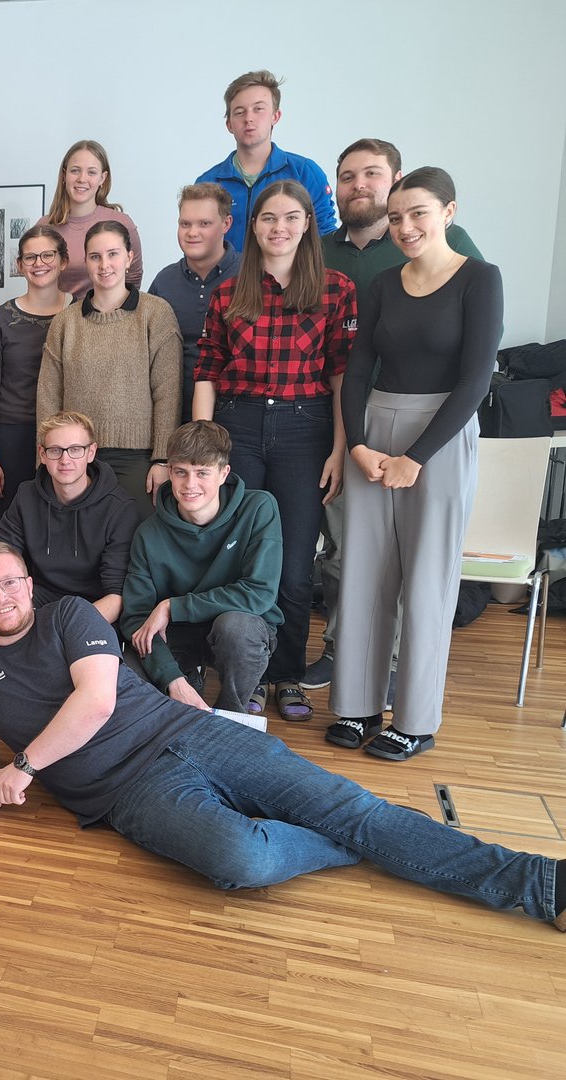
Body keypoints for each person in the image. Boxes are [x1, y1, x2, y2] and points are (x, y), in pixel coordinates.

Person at [0, 541, 566, 936]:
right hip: (126, 791)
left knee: (353, 810)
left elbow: (97, 701)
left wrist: (24, 766)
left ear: (28, 583)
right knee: (243, 860)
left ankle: (541, 883)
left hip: (192, 732)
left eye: (11, 582)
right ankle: (367, 835)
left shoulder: (69, 615)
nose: (1, 596)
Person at [329, 168, 504, 761]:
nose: (405, 227)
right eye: (397, 217)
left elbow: (476, 380)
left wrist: (416, 458)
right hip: (375, 432)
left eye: (418, 213)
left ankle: (415, 720)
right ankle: (357, 705)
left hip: (441, 436)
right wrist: (357, 443)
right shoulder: (383, 284)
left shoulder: (480, 279)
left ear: (448, 212)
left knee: (427, 581)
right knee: (363, 575)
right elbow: (358, 369)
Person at [304, 139, 485, 693]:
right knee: (351, 556)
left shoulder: (460, 259)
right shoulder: (325, 253)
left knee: (420, 566)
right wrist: (354, 440)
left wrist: (416, 450)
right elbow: (347, 360)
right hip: (350, 419)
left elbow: (475, 364)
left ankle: (402, 674)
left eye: (372, 175)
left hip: (430, 425)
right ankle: (347, 663)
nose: (359, 185)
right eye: (347, 176)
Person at [193, 180, 357, 722]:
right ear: (253, 226)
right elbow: (208, 370)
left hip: (305, 430)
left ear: (307, 224)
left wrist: (339, 449)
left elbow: (342, 376)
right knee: (239, 555)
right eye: (268, 218)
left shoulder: (335, 289)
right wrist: (202, 449)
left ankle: (287, 675)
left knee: (293, 565)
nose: (278, 227)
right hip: (237, 426)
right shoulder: (228, 292)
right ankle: (248, 676)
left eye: (290, 217)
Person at [119, 421, 283, 715]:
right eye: (181, 472)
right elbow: (136, 617)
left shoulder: (259, 508)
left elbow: (259, 593)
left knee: (236, 629)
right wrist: (173, 680)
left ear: (223, 473)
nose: (190, 485)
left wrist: (173, 606)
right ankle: (186, 685)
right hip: (176, 634)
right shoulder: (148, 532)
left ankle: (230, 717)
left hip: (238, 629)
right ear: (170, 472)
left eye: (202, 473)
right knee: (127, 671)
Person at [37, 221, 181, 522]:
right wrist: (47, 455)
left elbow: (168, 392)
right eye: (95, 256)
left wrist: (162, 459)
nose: (104, 265)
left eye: (113, 254)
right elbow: (49, 396)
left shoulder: (156, 314)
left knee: (134, 536)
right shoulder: (65, 322)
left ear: (129, 257)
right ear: (86, 262)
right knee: (78, 536)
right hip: (75, 454)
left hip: (138, 457)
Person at [0, 412, 139, 620]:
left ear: (91, 452)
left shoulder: (120, 508)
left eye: (75, 450)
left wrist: (65, 627)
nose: (65, 460)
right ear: (42, 454)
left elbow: (117, 596)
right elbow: (4, 560)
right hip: (39, 595)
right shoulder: (26, 495)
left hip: (91, 605)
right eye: (55, 450)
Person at [0, 225, 74, 517]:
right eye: (30, 257)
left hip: (66, 437)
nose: (39, 263)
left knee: (63, 521)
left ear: (63, 261)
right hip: (12, 437)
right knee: (15, 522)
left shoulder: (80, 314)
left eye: (47, 255)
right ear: (20, 265)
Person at [195, 70, 337, 253]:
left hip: (293, 272)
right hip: (228, 273)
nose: (249, 118)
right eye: (239, 112)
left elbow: (324, 238)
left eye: (258, 109)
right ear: (229, 124)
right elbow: (198, 244)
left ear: (275, 116)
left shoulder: (305, 172)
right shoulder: (208, 182)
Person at [147, 183, 242, 424]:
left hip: (239, 417)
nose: (192, 232)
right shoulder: (164, 282)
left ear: (226, 224)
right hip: (175, 416)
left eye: (204, 224)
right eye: (185, 224)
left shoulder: (251, 276)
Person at [39, 140, 144, 297]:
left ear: (102, 178)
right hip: (59, 312)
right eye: (75, 171)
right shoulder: (44, 228)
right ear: (64, 175)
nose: (82, 178)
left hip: (111, 312)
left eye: (91, 172)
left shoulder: (122, 223)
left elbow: (133, 278)